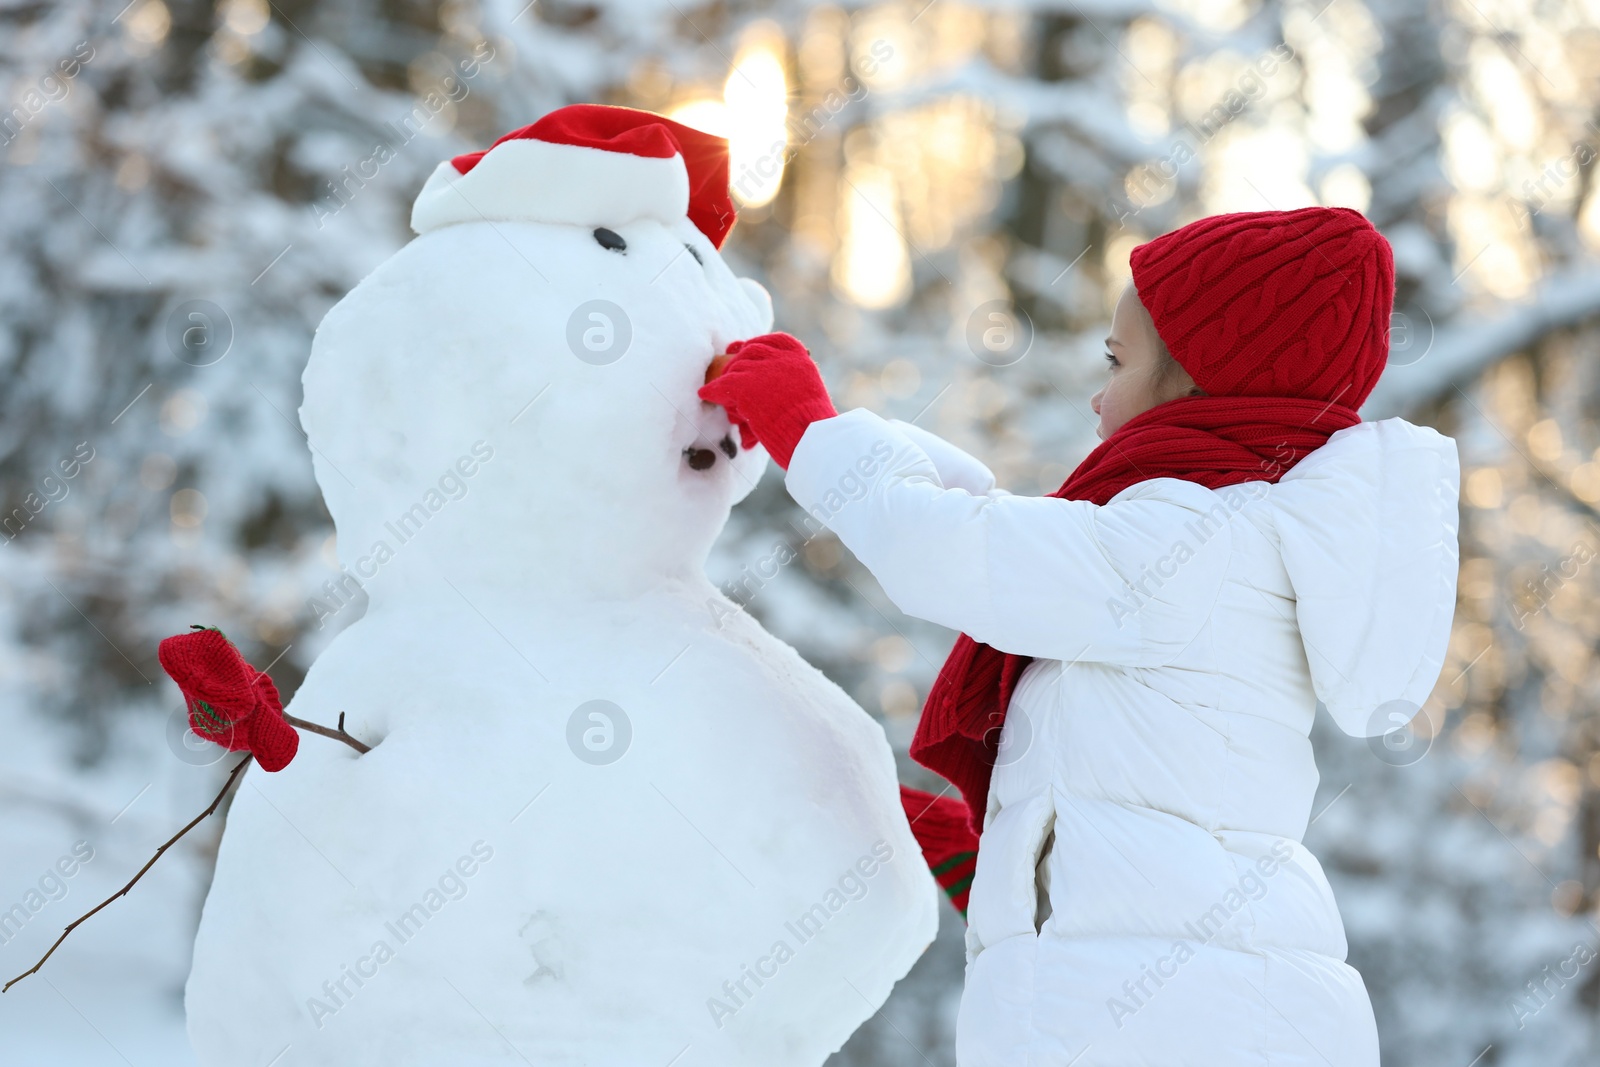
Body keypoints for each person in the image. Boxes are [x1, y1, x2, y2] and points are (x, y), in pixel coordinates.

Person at [699, 206, 1461, 1065]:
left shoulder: (1189, 543)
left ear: (1204, 379)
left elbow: (955, 549)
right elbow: (1130, 777)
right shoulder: (1235, 547)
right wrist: (1000, 864)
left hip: (1165, 1023)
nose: (1098, 394)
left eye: (1117, 360)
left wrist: (810, 429)